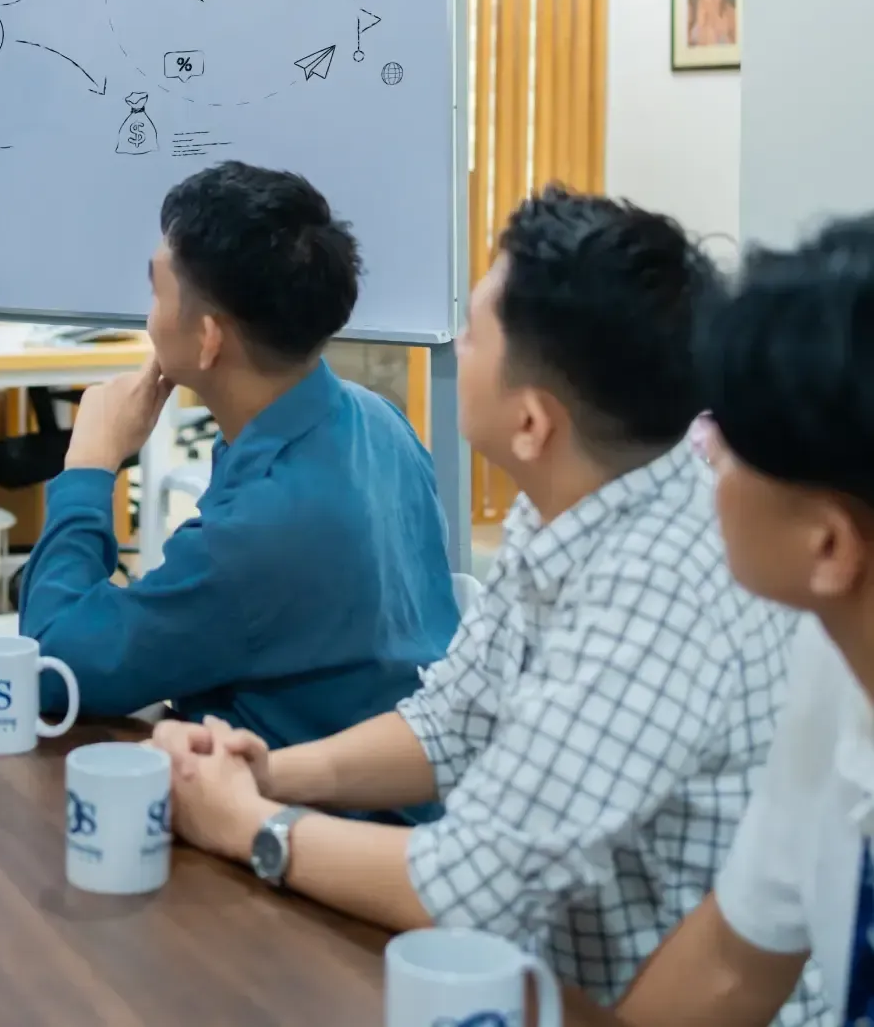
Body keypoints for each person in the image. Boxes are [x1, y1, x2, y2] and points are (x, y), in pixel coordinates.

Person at [153, 187, 822, 1024]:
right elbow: (450, 724)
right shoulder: (577, 501)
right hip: (554, 981)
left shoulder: (653, 591)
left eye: (473, 332)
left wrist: (253, 827)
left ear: (533, 422)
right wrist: (269, 771)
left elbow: (475, 887)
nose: (456, 347)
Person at [18, 161, 457, 783]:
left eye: (156, 292)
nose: (148, 315)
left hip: (304, 821)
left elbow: (50, 664)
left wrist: (90, 465)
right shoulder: (376, 418)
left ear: (207, 339)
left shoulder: (264, 529)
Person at [561, 217, 874, 1027]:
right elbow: (735, 961)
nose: (705, 461)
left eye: (726, 444)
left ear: (829, 544)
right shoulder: (834, 654)